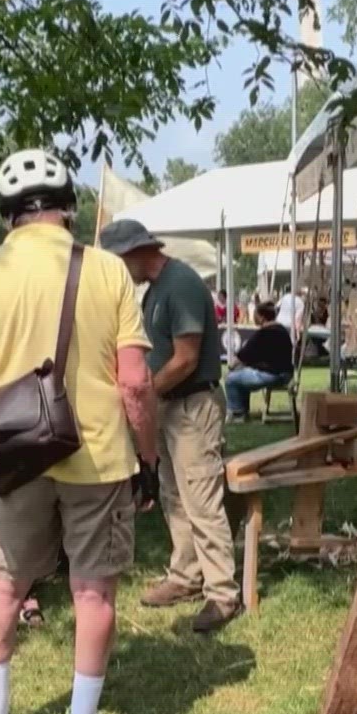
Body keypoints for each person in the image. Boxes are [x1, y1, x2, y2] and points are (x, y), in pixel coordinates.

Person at [0, 148, 159, 714]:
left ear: (8, 213)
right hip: (96, 454)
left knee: (4, 587)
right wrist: (147, 459)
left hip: (16, 457)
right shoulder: (107, 271)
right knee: (93, 592)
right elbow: (135, 384)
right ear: (68, 206)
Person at [99, 218, 241, 635]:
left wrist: (147, 393)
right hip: (171, 405)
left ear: (135, 253)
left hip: (192, 405)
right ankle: (185, 575)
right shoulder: (156, 290)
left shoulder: (178, 284)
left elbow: (186, 359)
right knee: (174, 495)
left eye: (118, 262)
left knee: (201, 497)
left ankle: (222, 593)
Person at [223, 301, 293, 422]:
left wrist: (230, 368)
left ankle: (237, 413)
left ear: (261, 317)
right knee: (241, 375)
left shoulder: (262, 334)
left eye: (255, 314)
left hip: (271, 375)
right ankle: (243, 410)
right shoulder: (283, 331)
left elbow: (241, 358)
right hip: (286, 374)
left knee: (231, 379)